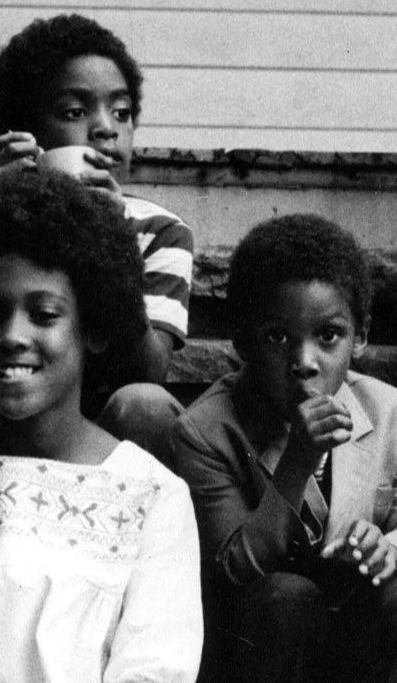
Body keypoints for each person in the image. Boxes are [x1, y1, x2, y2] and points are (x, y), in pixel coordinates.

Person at [0, 171, 202, 682]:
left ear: (94, 327)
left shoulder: (155, 496)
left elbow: (153, 669)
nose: (12, 335)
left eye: (44, 314)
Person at [0, 14, 193, 462]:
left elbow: (149, 371)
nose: (106, 127)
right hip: (15, 414)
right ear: (25, 134)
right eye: (75, 112)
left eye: (122, 112)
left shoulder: (160, 231)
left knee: (146, 406)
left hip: (106, 438)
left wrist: (116, 239)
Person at [170, 215, 397, 683]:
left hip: (357, 633)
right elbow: (234, 570)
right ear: (242, 342)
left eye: (328, 336)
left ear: (360, 336)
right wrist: (297, 462)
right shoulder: (206, 429)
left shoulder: (387, 409)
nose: (304, 363)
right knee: (288, 596)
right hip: (261, 639)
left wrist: (386, 546)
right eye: (277, 337)